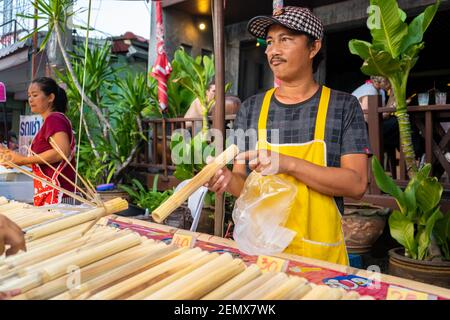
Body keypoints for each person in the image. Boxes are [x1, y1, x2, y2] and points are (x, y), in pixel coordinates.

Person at [206, 7, 370, 265]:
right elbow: (241, 184)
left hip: (319, 260)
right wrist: (226, 180)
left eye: (285, 39)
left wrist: (287, 163)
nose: (273, 50)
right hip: (260, 254)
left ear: (313, 48)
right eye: (270, 42)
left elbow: (357, 184)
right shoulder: (251, 108)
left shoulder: (343, 106)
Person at [0, 77, 76, 206]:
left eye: (35, 95)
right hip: (50, 196)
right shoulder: (50, 121)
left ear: (50, 97)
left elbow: (61, 153)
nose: (30, 99)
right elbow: (46, 165)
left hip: (58, 197)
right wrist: (15, 161)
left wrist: (22, 160)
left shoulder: (54, 119)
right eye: (29, 95)